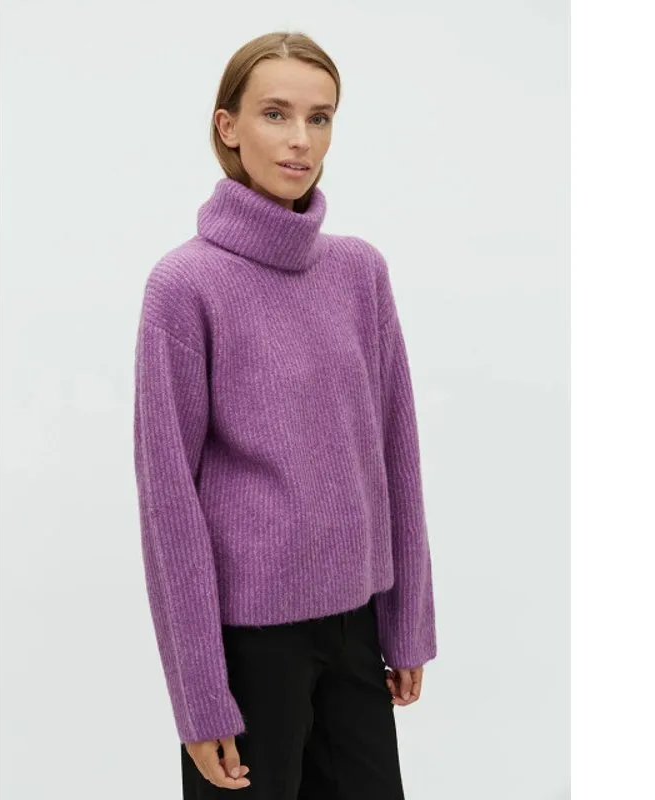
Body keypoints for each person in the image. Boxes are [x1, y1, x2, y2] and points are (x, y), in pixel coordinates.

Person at [133, 31, 437, 799]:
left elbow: (395, 451)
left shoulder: (360, 271)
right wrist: (198, 694)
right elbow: (168, 503)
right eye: (275, 114)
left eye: (320, 117)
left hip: (356, 629)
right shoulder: (185, 286)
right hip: (249, 647)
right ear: (228, 126)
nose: (301, 139)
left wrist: (406, 620)